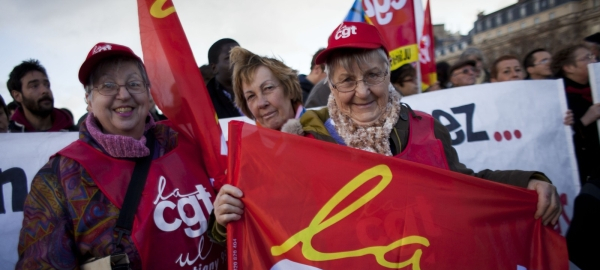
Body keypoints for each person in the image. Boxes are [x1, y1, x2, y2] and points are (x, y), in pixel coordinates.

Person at [10, 43, 231, 270]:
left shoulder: (189, 145)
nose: (122, 95)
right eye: (107, 86)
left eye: (134, 84)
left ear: (148, 94)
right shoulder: (61, 177)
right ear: (88, 99)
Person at [213, 22, 561, 234]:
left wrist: (526, 183)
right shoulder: (307, 142)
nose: (362, 91)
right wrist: (225, 220)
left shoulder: (426, 128)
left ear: (388, 73)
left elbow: (466, 187)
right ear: (331, 87)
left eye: (372, 76)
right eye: (347, 80)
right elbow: (277, 217)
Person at [552, 44, 600, 184]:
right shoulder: (558, 97)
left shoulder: (595, 87)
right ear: (569, 68)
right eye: (586, 58)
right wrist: (585, 120)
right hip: (586, 169)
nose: (594, 60)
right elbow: (557, 139)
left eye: (592, 56)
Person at [230, 47, 303, 131]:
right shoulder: (243, 143)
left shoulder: (319, 132)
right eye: (251, 96)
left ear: (290, 89)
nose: (261, 103)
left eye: (268, 88)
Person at [6, 59, 76, 132]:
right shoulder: (7, 136)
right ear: (17, 96)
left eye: (47, 85)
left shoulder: (76, 134)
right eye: (34, 86)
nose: (45, 90)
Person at [206, 38, 242, 118]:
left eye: (241, 55)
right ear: (214, 68)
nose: (239, 60)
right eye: (230, 57)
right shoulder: (205, 102)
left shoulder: (260, 89)